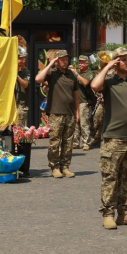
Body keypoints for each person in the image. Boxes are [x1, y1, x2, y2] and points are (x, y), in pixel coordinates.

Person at [91, 47, 127, 229]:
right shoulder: (109, 82)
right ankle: (108, 214)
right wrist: (108, 67)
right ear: (115, 63)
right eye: (123, 59)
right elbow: (94, 86)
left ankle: (125, 213)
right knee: (110, 177)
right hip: (113, 138)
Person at [35, 50, 79, 178]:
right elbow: (38, 79)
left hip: (69, 113)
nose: (65, 61)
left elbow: (76, 95)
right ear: (57, 61)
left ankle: (65, 166)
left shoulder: (72, 74)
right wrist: (51, 64)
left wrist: (77, 112)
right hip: (55, 113)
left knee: (68, 142)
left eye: (67, 59)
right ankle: (54, 167)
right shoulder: (52, 73)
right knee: (55, 141)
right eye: (62, 59)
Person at [72, 55, 94, 151]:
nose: (80, 64)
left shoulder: (90, 73)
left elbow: (85, 83)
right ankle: (75, 142)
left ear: (87, 63)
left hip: (84, 101)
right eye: (79, 62)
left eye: (82, 62)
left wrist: (76, 74)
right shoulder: (77, 73)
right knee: (75, 123)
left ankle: (86, 142)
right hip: (74, 101)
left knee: (84, 123)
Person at [15, 47, 30, 128]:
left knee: (19, 128)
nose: (24, 60)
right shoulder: (11, 70)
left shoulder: (26, 72)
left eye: (24, 58)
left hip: (21, 105)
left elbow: (26, 84)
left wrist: (17, 77)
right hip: (12, 104)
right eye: (21, 58)